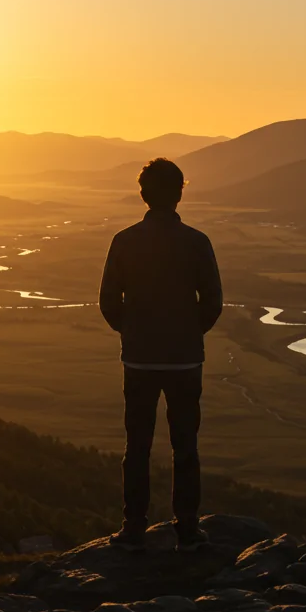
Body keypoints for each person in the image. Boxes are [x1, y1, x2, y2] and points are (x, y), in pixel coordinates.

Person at [98, 158, 223, 552]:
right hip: (186, 360)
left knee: (137, 445)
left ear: (143, 194)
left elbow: (108, 301)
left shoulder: (125, 240)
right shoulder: (196, 241)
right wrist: (187, 333)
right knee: (185, 445)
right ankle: (187, 527)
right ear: (180, 193)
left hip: (139, 360)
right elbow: (213, 302)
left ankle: (134, 526)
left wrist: (133, 333)